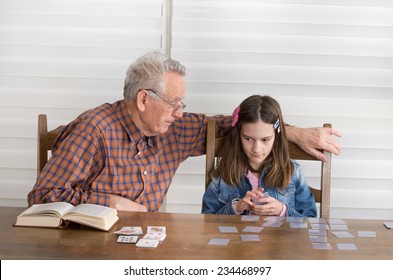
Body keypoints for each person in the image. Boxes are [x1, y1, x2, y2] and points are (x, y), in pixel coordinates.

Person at [28, 52, 341, 212]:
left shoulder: (174, 129)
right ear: (143, 99)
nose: (180, 112)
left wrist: (293, 132)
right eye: (174, 103)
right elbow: (41, 197)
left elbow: (236, 122)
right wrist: (108, 202)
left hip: (145, 249)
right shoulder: (94, 130)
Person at [202, 95, 317, 217]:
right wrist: (235, 208)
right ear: (238, 135)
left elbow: (310, 222)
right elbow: (207, 221)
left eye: (265, 140)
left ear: (276, 137)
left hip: (278, 237)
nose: (256, 149)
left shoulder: (292, 172)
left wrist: (282, 211)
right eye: (248, 139)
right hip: (236, 236)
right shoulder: (223, 175)